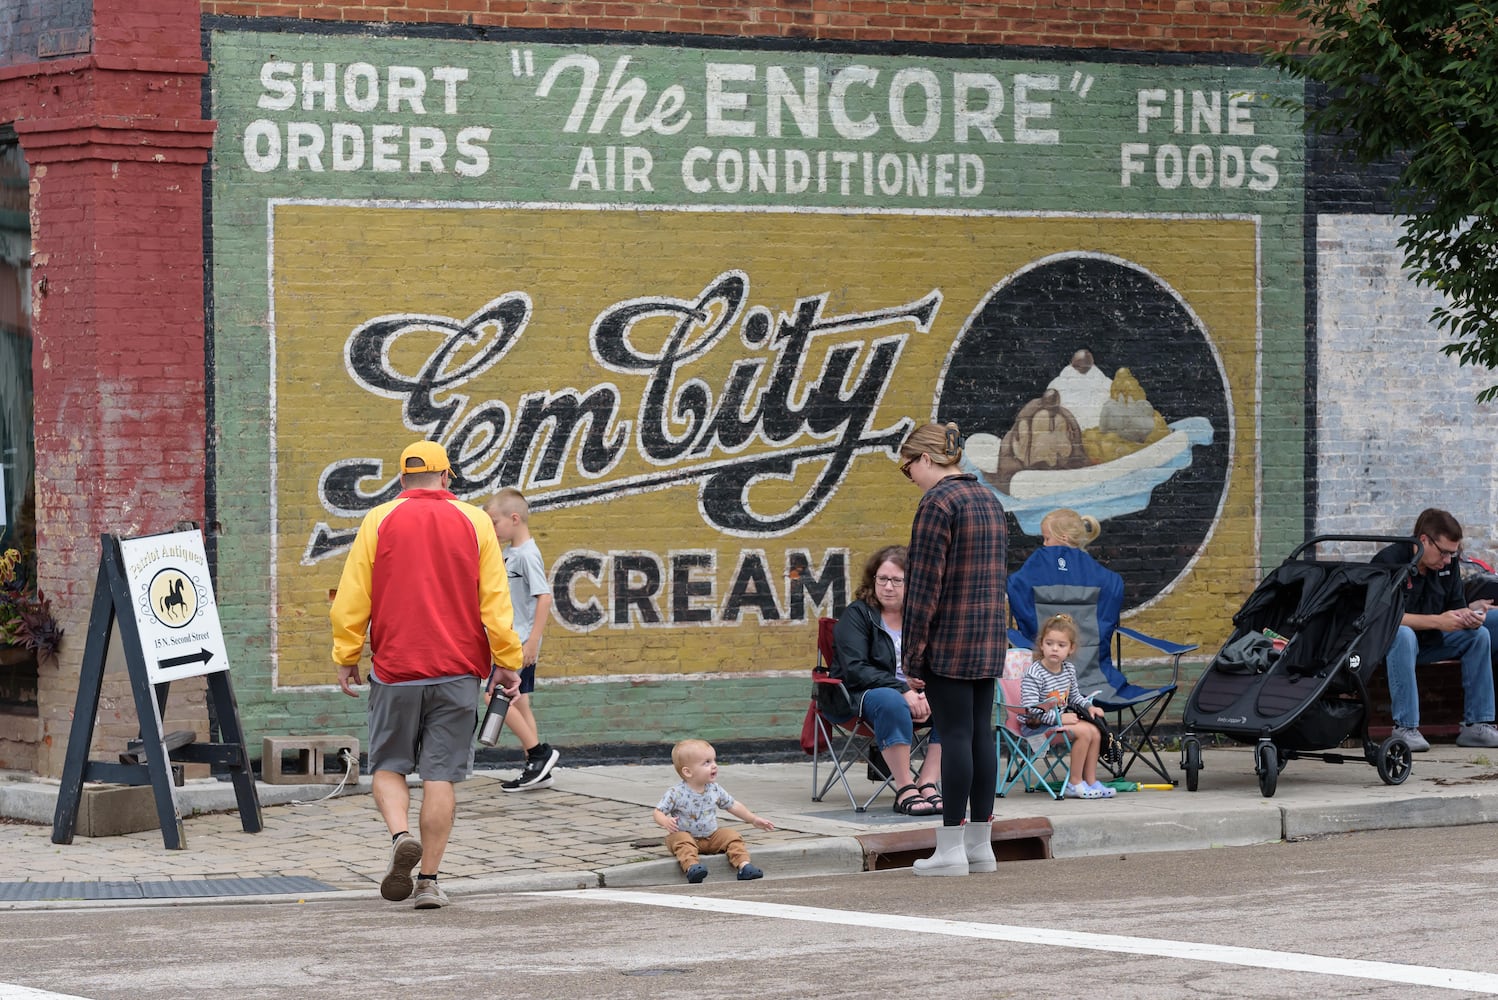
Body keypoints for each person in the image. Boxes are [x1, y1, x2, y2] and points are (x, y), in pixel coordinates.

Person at [332, 440, 524, 910]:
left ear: (402, 480)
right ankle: (429, 882)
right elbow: (495, 601)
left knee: (388, 765)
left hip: (397, 667)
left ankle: (400, 836)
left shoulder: (378, 519)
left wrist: (347, 651)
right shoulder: (476, 520)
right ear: (446, 478)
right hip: (459, 668)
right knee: (441, 777)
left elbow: (354, 595)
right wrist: (507, 660)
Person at [899, 420, 1008, 877]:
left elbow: (924, 587)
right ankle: (980, 845)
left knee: (956, 735)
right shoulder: (989, 499)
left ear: (926, 459)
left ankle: (949, 849)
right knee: (981, 733)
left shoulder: (937, 503)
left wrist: (912, 655)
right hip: (988, 635)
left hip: (950, 636)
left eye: (908, 469)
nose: (909, 477)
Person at [825, 544, 944, 815]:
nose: (888, 587)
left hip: (913, 694)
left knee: (954, 700)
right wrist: (901, 688)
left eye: (896, 580)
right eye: (882, 579)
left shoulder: (922, 618)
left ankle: (927, 782)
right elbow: (855, 668)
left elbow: (937, 661)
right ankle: (904, 789)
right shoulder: (857, 615)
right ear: (873, 579)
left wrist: (926, 688)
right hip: (861, 694)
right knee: (891, 701)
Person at [1373, 508, 1498, 752]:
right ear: (1424, 541)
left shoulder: (1447, 566)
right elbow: (1385, 619)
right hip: (1391, 646)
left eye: (1454, 553)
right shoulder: (1389, 562)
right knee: (1404, 634)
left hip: (1431, 642)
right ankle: (1405, 728)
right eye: (1444, 552)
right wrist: (1438, 622)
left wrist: (1469, 617)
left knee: (1479, 635)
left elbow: (1455, 607)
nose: (1449, 560)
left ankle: (1477, 725)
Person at [484, 488, 561, 791]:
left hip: (520, 642)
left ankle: (539, 754)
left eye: (495, 522)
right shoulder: (510, 553)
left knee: (494, 695)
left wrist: (531, 643)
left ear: (514, 519)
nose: (492, 529)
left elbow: (544, 597)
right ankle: (539, 768)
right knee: (522, 701)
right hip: (513, 638)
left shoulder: (528, 554)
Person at [652, 738, 775, 883]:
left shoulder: (714, 789)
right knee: (681, 841)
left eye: (714, 761)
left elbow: (732, 805)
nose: (714, 766)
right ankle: (692, 868)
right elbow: (657, 812)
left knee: (732, 836)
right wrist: (665, 821)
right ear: (688, 772)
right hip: (687, 837)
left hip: (711, 837)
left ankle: (744, 866)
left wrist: (753, 819)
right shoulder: (676, 793)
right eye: (707, 763)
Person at [1021, 614, 1115, 799]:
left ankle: (1090, 781)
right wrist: (1059, 718)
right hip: (1037, 724)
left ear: (1071, 648)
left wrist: (1089, 707)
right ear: (1041, 644)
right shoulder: (1034, 673)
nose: (1054, 649)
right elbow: (1031, 709)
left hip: (1059, 721)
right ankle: (1074, 782)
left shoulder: (1069, 670)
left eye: (1061, 645)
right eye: (1049, 643)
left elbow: (1074, 697)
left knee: (1095, 731)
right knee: (1085, 732)